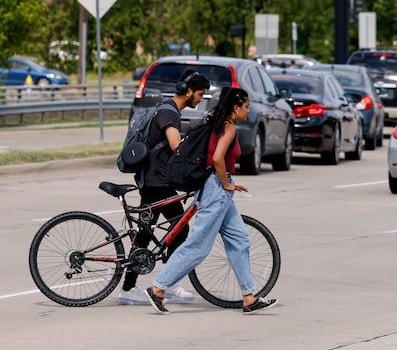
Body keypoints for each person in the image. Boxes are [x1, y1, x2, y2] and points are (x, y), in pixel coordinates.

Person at [144, 87, 278, 315]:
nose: (249, 110)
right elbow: (217, 158)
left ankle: (249, 297)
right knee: (198, 246)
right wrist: (227, 183)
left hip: (217, 191)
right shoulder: (228, 127)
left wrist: (226, 185)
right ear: (236, 108)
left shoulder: (217, 125)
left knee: (239, 241)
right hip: (216, 190)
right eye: (246, 106)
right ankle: (158, 288)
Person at [117, 68, 211, 305]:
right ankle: (147, 286)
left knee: (158, 233)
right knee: (164, 232)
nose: (200, 99)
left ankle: (155, 285)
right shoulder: (170, 114)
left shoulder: (165, 108)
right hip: (155, 183)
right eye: (199, 94)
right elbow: (176, 146)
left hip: (156, 181)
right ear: (187, 91)